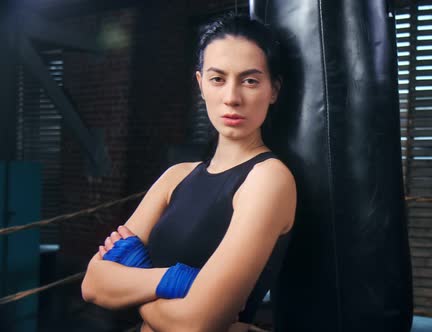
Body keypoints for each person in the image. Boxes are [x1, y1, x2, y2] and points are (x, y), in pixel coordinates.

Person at [81, 13, 296, 332]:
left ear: (273, 90)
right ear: (200, 84)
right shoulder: (176, 176)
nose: (232, 98)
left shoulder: (268, 180)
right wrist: (181, 281)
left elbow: (196, 324)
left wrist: (133, 275)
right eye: (217, 78)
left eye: (250, 80)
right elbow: (94, 284)